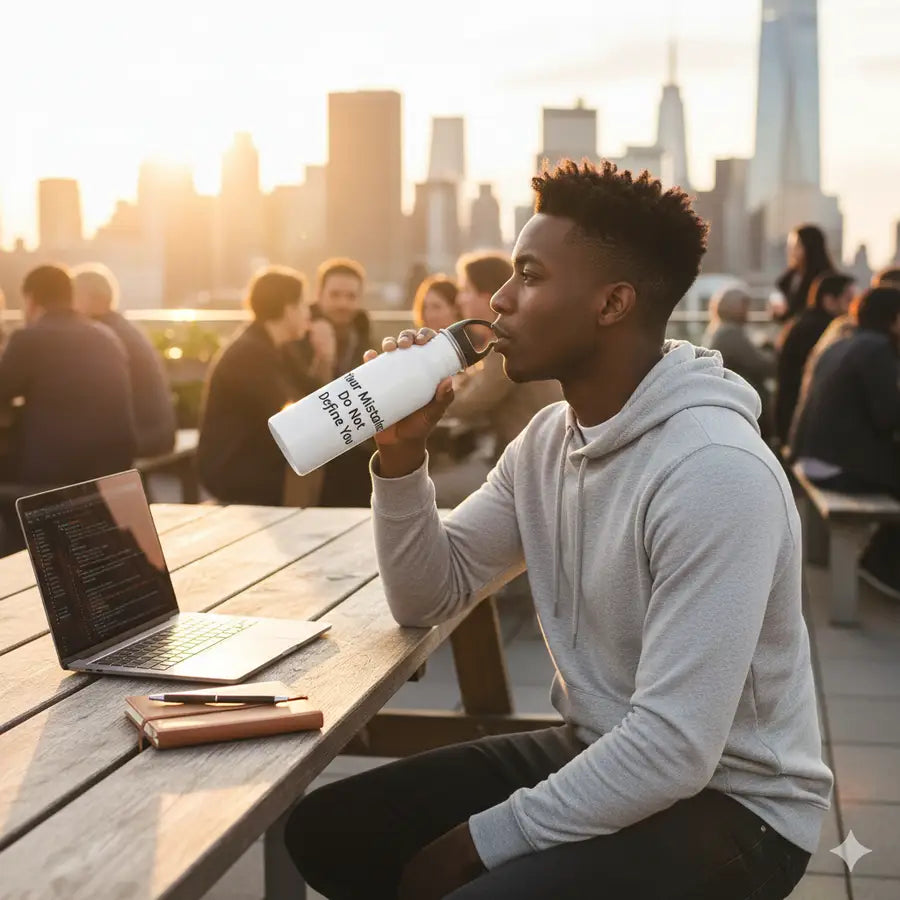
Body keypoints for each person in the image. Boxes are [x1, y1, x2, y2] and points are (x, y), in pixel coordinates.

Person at [285, 161, 831, 899]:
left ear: (612, 303)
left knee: (456, 879)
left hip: (737, 806)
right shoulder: (549, 440)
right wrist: (402, 451)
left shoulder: (714, 471)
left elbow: (676, 749)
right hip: (603, 747)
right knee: (330, 830)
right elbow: (426, 597)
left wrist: (471, 848)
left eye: (529, 275)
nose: (501, 300)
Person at [790, 286, 900, 596]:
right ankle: (881, 563)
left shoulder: (844, 342)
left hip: (812, 456)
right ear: (893, 319)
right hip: (836, 464)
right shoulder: (877, 349)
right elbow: (887, 417)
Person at [197, 266, 313, 506]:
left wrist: (325, 357)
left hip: (254, 462)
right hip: (236, 470)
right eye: (303, 305)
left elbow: (311, 391)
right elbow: (288, 416)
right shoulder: (251, 353)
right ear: (288, 309)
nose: (307, 313)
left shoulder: (271, 346)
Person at [71, 263, 176, 457]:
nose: (68, 306)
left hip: (144, 435)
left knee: (71, 448)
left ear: (94, 299)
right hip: (159, 431)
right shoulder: (123, 328)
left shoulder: (102, 336)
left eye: (73, 297)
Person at [307, 257, 375, 507]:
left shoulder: (364, 337)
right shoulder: (300, 334)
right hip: (315, 445)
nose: (343, 304)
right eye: (335, 295)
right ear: (319, 294)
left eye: (350, 296)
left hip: (354, 441)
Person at [774, 272, 855, 447]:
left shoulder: (803, 322)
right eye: (849, 300)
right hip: (802, 425)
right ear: (829, 300)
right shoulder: (824, 331)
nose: (853, 308)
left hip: (792, 417)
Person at [701, 285, 776, 439]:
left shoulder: (717, 330)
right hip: (740, 401)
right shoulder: (731, 333)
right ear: (733, 307)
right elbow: (762, 365)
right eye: (744, 306)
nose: (747, 312)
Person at [771, 225, 835, 322]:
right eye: (790, 246)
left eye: (796, 246)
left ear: (810, 248)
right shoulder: (790, 279)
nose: (791, 251)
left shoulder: (825, 280)